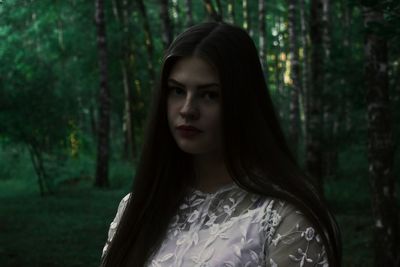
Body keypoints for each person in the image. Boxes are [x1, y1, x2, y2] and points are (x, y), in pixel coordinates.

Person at [100, 22, 341, 267]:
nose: (187, 110)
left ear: (242, 102)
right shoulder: (137, 207)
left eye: (209, 95)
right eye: (177, 91)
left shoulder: (285, 218)